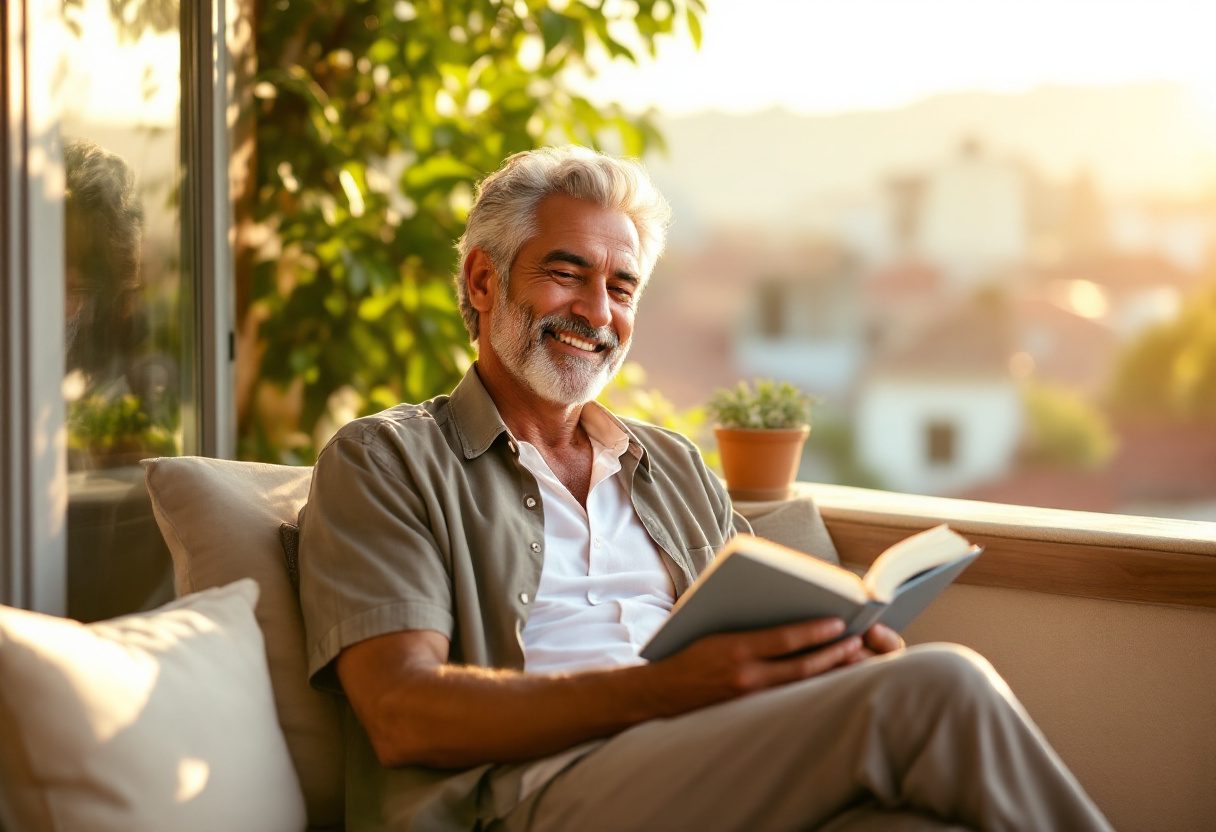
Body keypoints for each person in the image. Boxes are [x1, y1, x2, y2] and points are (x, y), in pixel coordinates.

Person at [298, 146, 1112, 831]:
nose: (595, 311)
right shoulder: (386, 460)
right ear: (483, 283)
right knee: (944, 684)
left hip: (718, 759)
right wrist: (664, 691)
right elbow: (402, 713)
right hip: (533, 791)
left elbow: (761, 623)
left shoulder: (673, 466)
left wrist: (835, 654)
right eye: (566, 273)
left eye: (621, 288)